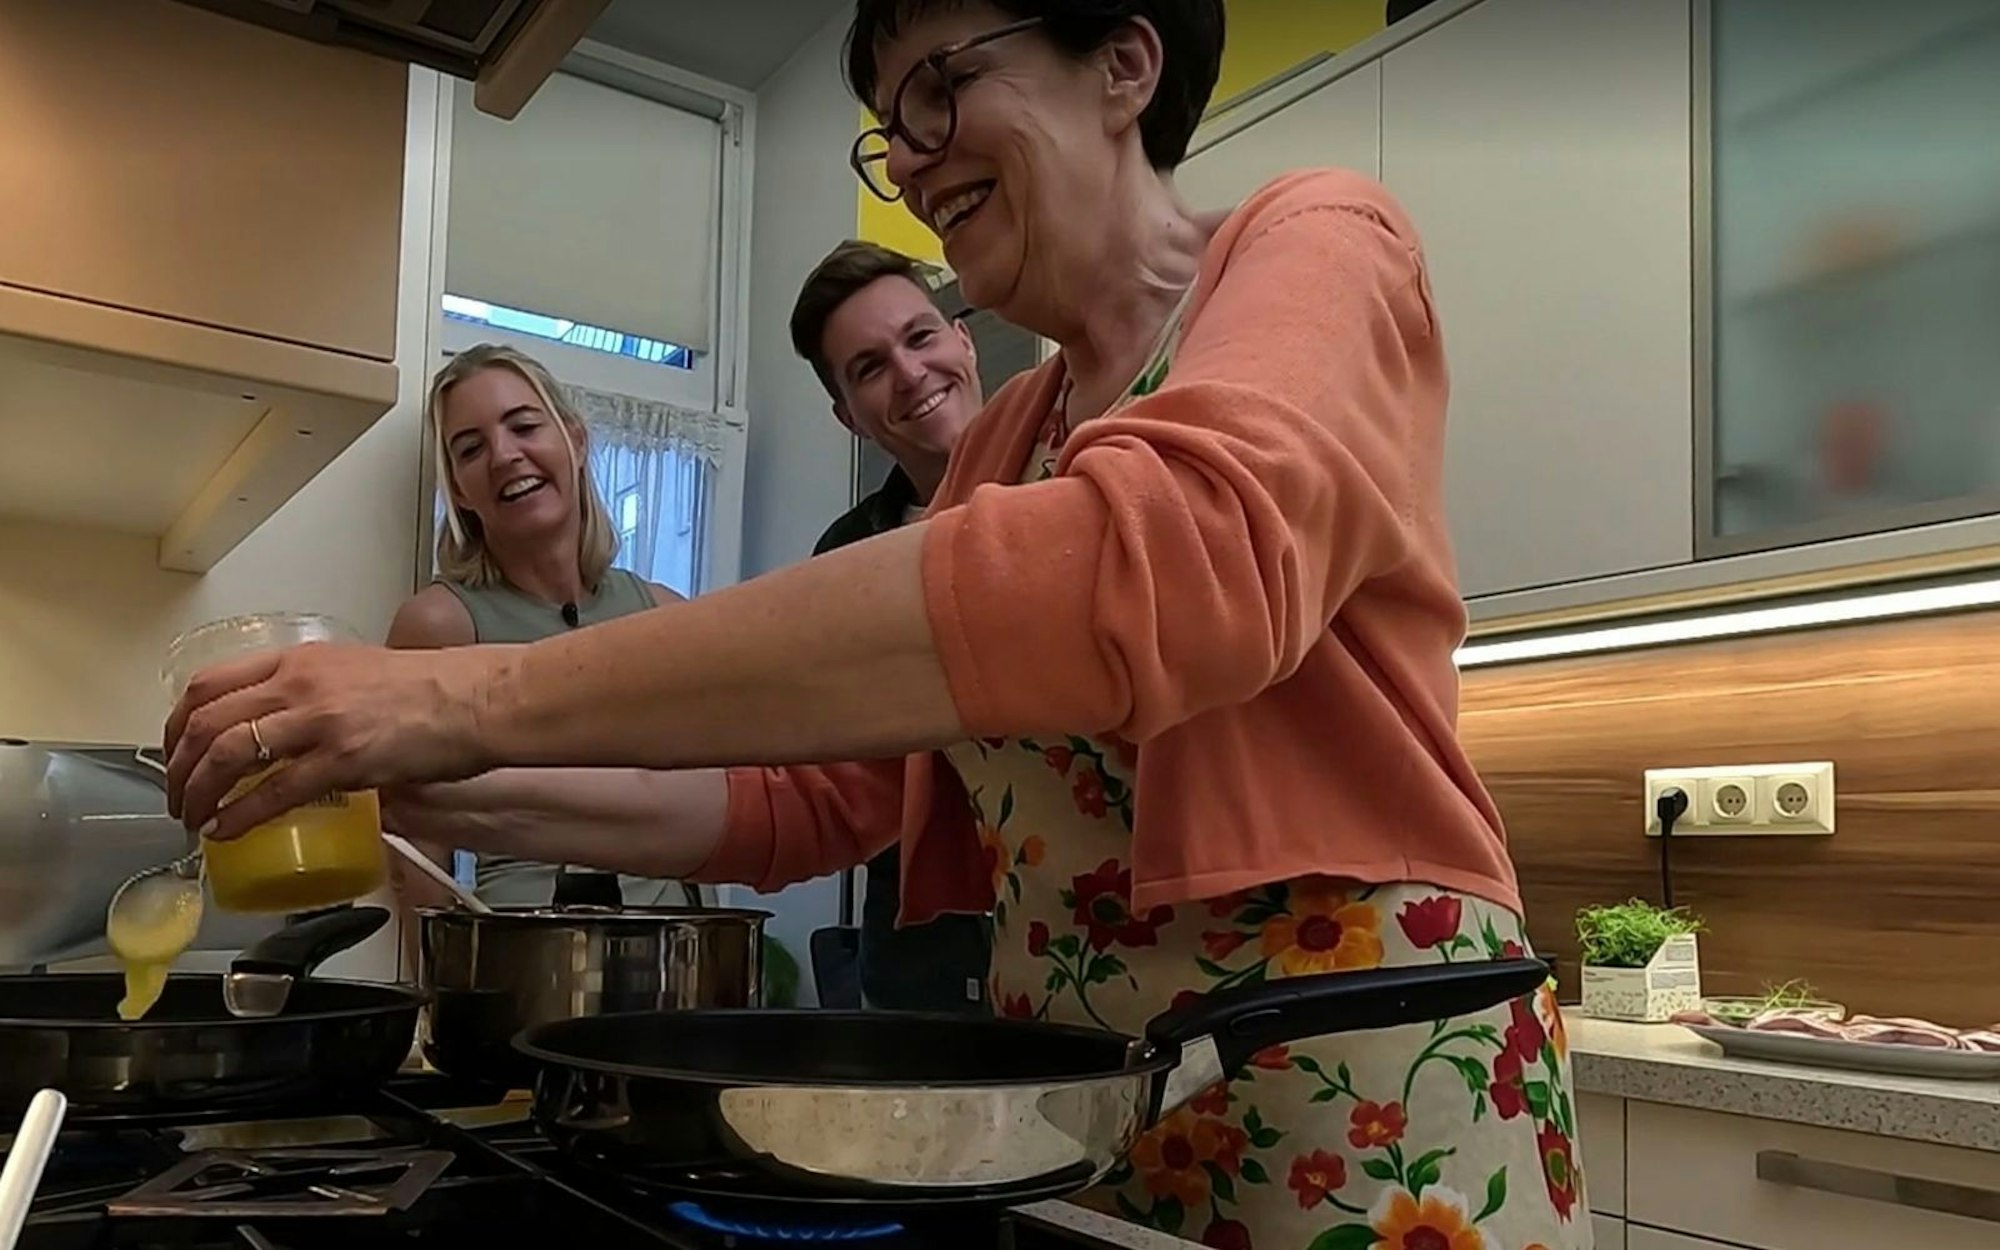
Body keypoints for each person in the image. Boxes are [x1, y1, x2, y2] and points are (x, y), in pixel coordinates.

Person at [163, 3, 1586, 1247]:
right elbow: (818, 796)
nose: (904, 156)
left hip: (1373, 1101)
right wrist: (445, 781)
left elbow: (1163, 563)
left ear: (1125, 64)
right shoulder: (1006, 442)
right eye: (886, 125)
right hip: (1101, 1115)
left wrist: (457, 702)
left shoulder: (1317, 237)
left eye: (938, 87)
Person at [386, 342, 696, 910]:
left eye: (524, 426)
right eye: (471, 449)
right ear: (459, 488)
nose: (505, 456)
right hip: (522, 965)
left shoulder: (665, 612)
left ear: (575, 441)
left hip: (672, 958)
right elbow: (416, 850)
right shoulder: (440, 625)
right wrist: (455, 985)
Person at [793, 239, 994, 1013]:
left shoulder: (1084, 479)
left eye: (921, 337)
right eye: (870, 367)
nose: (911, 373)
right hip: (920, 967)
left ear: (963, 339)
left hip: (1095, 936)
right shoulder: (843, 561)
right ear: (847, 415)